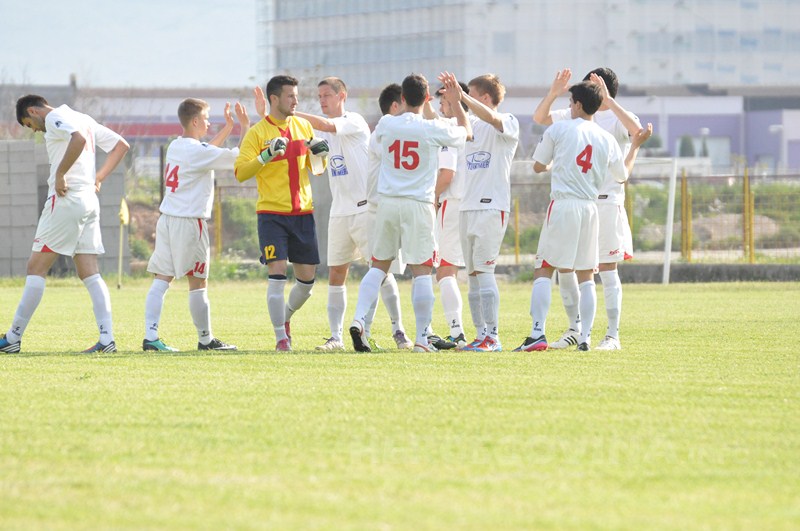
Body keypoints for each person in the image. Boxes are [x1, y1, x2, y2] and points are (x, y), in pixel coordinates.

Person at [348, 72, 471, 353]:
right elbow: (465, 133)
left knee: (378, 266)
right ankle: (422, 340)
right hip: (418, 203)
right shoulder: (431, 127)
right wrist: (457, 102)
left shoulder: (387, 123)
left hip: (389, 201)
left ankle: (358, 320)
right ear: (427, 98)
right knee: (423, 272)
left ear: (402, 98)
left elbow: (378, 148)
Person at [532, 67, 652, 350]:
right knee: (568, 269)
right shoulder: (576, 115)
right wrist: (553, 93)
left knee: (606, 270)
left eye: (592, 84)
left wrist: (609, 103)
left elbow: (636, 132)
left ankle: (612, 335)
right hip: (581, 201)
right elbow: (540, 118)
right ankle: (576, 329)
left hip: (607, 201)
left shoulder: (619, 116)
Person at [0, 95, 129, 353]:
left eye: (29, 123)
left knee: (35, 267)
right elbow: (122, 145)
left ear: (34, 111)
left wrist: (59, 174)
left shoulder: (55, 116)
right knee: (89, 272)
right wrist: (98, 178)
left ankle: (12, 339)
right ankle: (107, 340)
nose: (34, 130)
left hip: (66, 199)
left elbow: (78, 139)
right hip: (89, 201)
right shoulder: (83, 118)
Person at [293, 77, 408, 351]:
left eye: (326, 95)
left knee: (381, 271)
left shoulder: (352, 120)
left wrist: (290, 114)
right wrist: (313, 148)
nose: (322, 100)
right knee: (336, 274)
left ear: (341, 95)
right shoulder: (323, 135)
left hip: (365, 209)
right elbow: (319, 168)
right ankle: (336, 337)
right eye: (319, 96)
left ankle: (398, 330)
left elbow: (327, 124)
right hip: (340, 212)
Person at [514, 81, 627, 352]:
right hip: (591, 208)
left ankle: (537, 333)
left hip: (564, 205)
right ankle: (585, 337)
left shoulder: (559, 129)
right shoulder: (606, 137)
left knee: (544, 268)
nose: (568, 106)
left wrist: (554, 163)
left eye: (569, 102)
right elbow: (621, 176)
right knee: (586, 274)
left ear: (577, 103)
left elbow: (539, 166)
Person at [142, 98, 249, 352]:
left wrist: (227, 128)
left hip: (167, 220)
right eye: (207, 117)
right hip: (190, 223)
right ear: (195, 121)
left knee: (161, 280)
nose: (210, 122)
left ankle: (151, 337)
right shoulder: (197, 152)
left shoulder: (177, 146)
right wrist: (244, 127)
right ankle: (205, 340)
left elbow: (206, 153)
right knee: (198, 282)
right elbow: (238, 158)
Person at [234, 75, 329, 351]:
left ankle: (284, 317)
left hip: (303, 214)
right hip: (272, 215)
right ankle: (280, 338)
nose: (296, 101)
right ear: (274, 99)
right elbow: (240, 172)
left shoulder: (303, 126)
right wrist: (265, 156)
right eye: (290, 96)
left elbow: (317, 169)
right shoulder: (257, 133)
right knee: (277, 274)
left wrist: (319, 154)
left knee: (307, 283)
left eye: (296, 96)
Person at [456, 75, 520, 352]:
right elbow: (462, 124)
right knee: (470, 275)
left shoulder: (507, 121)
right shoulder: (471, 125)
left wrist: (461, 98)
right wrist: (454, 99)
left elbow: (493, 119)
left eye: (471, 94)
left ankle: (493, 336)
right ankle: (480, 334)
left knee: (484, 272)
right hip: (467, 207)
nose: (467, 99)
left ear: (483, 97)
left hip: (491, 207)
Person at [419, 83, 471, 350]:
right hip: (467, 204)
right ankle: (460, 331)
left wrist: (431, 195)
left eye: (444, 101)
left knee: (445, 271)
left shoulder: (450, 131)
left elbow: (446, 174)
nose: (440, 107)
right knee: (452, 270)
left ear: (454, 101)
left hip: (451, 203)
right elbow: (431, 117)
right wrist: (425, 99)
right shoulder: (462, 126)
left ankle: (457, 332)